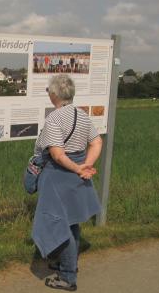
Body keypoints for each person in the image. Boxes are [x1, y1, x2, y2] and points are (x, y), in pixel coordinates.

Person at [32, 74, 103, 291]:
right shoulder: (81, 116)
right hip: (76, 177)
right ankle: (65, 262)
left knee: (56, 223)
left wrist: (78, 167)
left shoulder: (54, 119)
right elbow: (97, 141)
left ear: (54, 94)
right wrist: (86, 166)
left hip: (59, 177)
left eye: (48, 91)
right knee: (71, 222)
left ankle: (68, 276)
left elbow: (57, 154)